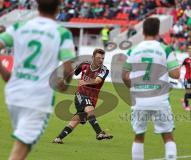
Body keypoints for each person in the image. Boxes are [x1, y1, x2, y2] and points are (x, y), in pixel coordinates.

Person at [0, 0, 75, 159]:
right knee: (22, 147)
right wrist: (65, 83)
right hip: (38, 97)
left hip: (14, 93)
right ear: (57, 9)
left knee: (22, 143)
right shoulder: (62, 33)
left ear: (37, 6)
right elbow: (69, 68)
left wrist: (5, 73)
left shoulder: (19, 27)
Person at [122, 17, 180, 160]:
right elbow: (176, 74)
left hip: (139, 99)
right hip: (159, 99)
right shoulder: (165, 49)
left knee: (139, 135)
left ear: (143, 31)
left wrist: (132, 87)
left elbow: (124, 75)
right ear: (158, 31)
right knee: (167, 136)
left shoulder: (133, 50)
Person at [53, 48, 113, 144]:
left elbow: (97, 80)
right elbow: (73, 72)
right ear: (93, 57)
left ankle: (58, 138)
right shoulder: (84, 65)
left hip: (93, 98)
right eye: (98, 58)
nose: (101, 60)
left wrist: (85, 81)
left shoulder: (104, 70)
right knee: (89, 110)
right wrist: (63, 80)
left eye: (102, 58)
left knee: (76, 120)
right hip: (81, 95)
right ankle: (99, 133)